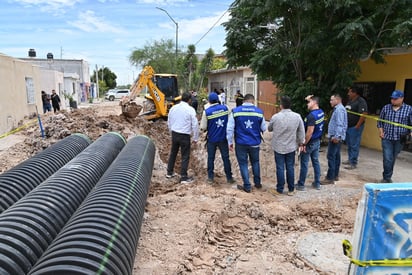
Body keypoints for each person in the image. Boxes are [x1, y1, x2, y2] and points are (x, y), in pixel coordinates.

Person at [227, 93, 267, 193]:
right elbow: (264, 128)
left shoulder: (235, 111)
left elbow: (230, 128)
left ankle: (247, 186)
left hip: (241, 143)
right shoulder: (259, 112)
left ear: (243, 101)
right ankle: (257, 183)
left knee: (243, 163)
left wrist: (230, 142)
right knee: (255, 162)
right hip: (255, 143)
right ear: (253, 101)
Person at [268, 96, 305, 196]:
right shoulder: (297, 116)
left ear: (281, 105)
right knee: (290, 167)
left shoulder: (275, 117)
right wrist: (301, 142)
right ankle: (291, 189)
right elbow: (301, 132)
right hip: (291, 146)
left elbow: (269, 128)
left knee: (280, 168)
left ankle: (280, 189)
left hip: (278, 146)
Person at [200, 92, 235, 184]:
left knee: (211, 158)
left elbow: (203, 127)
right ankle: (229, 178)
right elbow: (231, 120)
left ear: (210, 101)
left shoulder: (206, 112)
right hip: (223, 138)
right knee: (226, 158)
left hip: (212, 139)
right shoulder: (226, 108)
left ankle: (210, 178)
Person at [377, 90, 412, 183]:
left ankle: (388, 175)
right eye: (392, 98)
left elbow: (411, 123)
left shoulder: (409, 109)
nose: (393, 100)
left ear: (402, 99)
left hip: (400, 139)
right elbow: (380, 121)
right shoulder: (386, 108)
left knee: (392, 158)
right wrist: (381, 131)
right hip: (387, 137)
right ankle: (386, 178)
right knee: (387, 158)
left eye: (395, 99)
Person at [166, 92, 200, 183]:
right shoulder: (190, 110)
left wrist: (171, 132)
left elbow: (169, 121)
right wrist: (195, 138)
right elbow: (195, 125)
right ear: (189, 100)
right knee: (185, 155)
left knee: (173, 152)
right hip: (184, 135)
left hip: (175, 133)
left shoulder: (173, 108)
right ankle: (184, 177)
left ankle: (169, 172)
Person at [296, 95, 325, 191]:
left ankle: (301, 184)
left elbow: (309, 132)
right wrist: (309, 99)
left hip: (310, 143)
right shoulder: (320, 112)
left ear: (314, 103)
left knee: (304, 163)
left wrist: (303, 143)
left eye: (309, 102)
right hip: (317, 141)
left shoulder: (311, 116)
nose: (307, 104)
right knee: (316, 162)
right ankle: (317, 183)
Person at [321, 94, 348, 185]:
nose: (330, 102)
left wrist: (336, 136)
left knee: (331, 156)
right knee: (336, 156)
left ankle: (330, 177)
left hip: (335, 137)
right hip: (337, 136)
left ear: (337, 100)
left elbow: (339, 124)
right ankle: (335, 175)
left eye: (332, 100)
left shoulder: (339, 110)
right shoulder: (339, 109)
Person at [343, 86, 368, 170]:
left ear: (355, 93)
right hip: (348, 126)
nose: (348, 94)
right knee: (349, 144)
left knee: (354, 144)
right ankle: (350, 159)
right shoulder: (350, 101)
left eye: (350, 92)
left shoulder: (361, 101)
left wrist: (357, 125)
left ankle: (353, 162)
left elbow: (364, 114)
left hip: (355, 127)